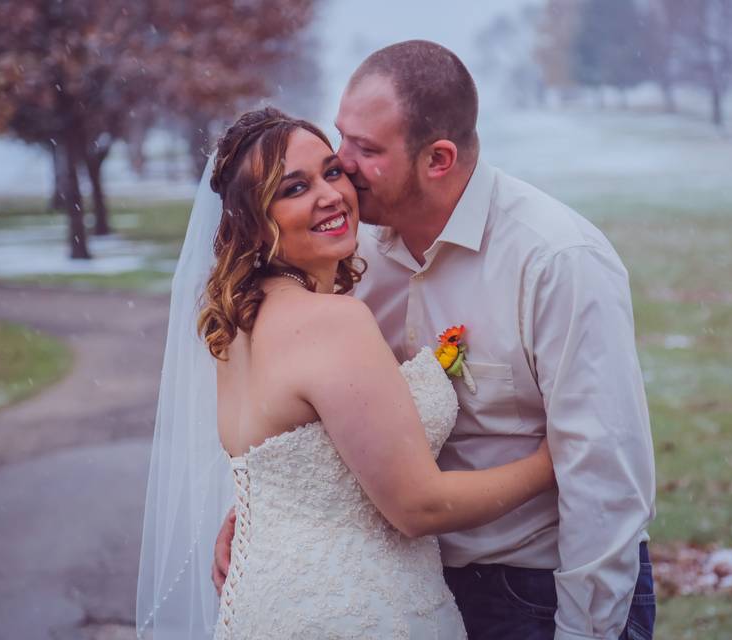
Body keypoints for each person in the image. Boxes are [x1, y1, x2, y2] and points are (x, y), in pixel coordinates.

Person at [213, 41, 658, 640]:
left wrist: (586, 629)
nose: (341, 164)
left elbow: (607, 477)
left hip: (537, 589)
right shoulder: (347, 253)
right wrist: (273, 508)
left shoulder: (555, 260)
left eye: (364, 150)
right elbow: (329, 421)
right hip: (400, 593)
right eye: (341, 137)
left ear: (438, 159)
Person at [136, 107, 557, 639]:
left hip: (264, 605)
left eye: (332, 172)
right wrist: (552, 461)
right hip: (356, 611)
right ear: (251, 219)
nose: (330, 194)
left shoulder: (235, 325)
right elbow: (418, 507)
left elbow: (294, 467)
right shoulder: (331, 322)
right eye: (293, 188)